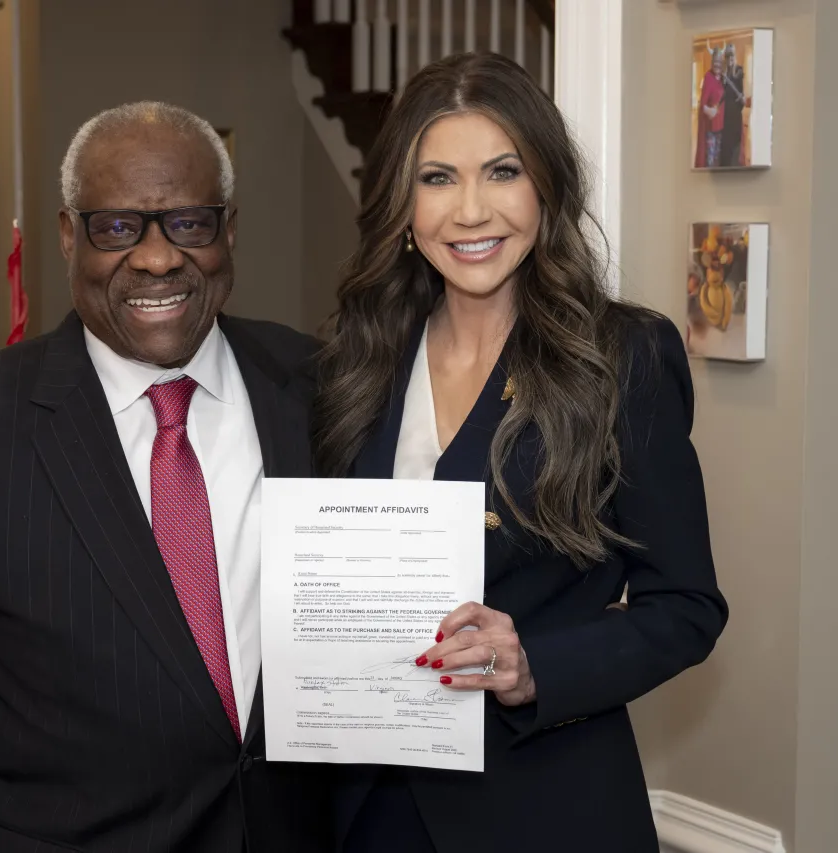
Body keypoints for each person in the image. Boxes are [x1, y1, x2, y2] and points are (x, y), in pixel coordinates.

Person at [0, 101, 331, 853]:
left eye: (189, 223)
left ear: (228, 231)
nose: (157, 258)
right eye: (117, 228)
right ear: (69, 236)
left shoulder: (323, 390)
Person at [312, 52, 729, 853]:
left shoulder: (623, 357)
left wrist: (535, 662)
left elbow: (686, 607)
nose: (470, 210)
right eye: (437, 178)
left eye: (501, 171)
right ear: (401, 205)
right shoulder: (351, 361)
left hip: (541, 806)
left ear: (547, 188)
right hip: (366, 809)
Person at [695, 48, 725, 168]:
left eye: (719, 61)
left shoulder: (723, 78)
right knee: (710, 162)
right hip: (711, 129)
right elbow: (702, 105)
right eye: (714, 61)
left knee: (718, 159)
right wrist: (709, 111)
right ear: (711, 62)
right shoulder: (708, 77)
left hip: (721, 127)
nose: (717, 64)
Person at [720, 44, 748, 168]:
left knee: (736, 148)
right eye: (727, 55)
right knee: (725, 149)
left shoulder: (739, 71)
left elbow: (742, 94)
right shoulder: (722, 74)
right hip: (725, 116)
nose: (730, 58)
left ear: (734, 56)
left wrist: (742, 99)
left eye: (732, 55)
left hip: (735, 115)